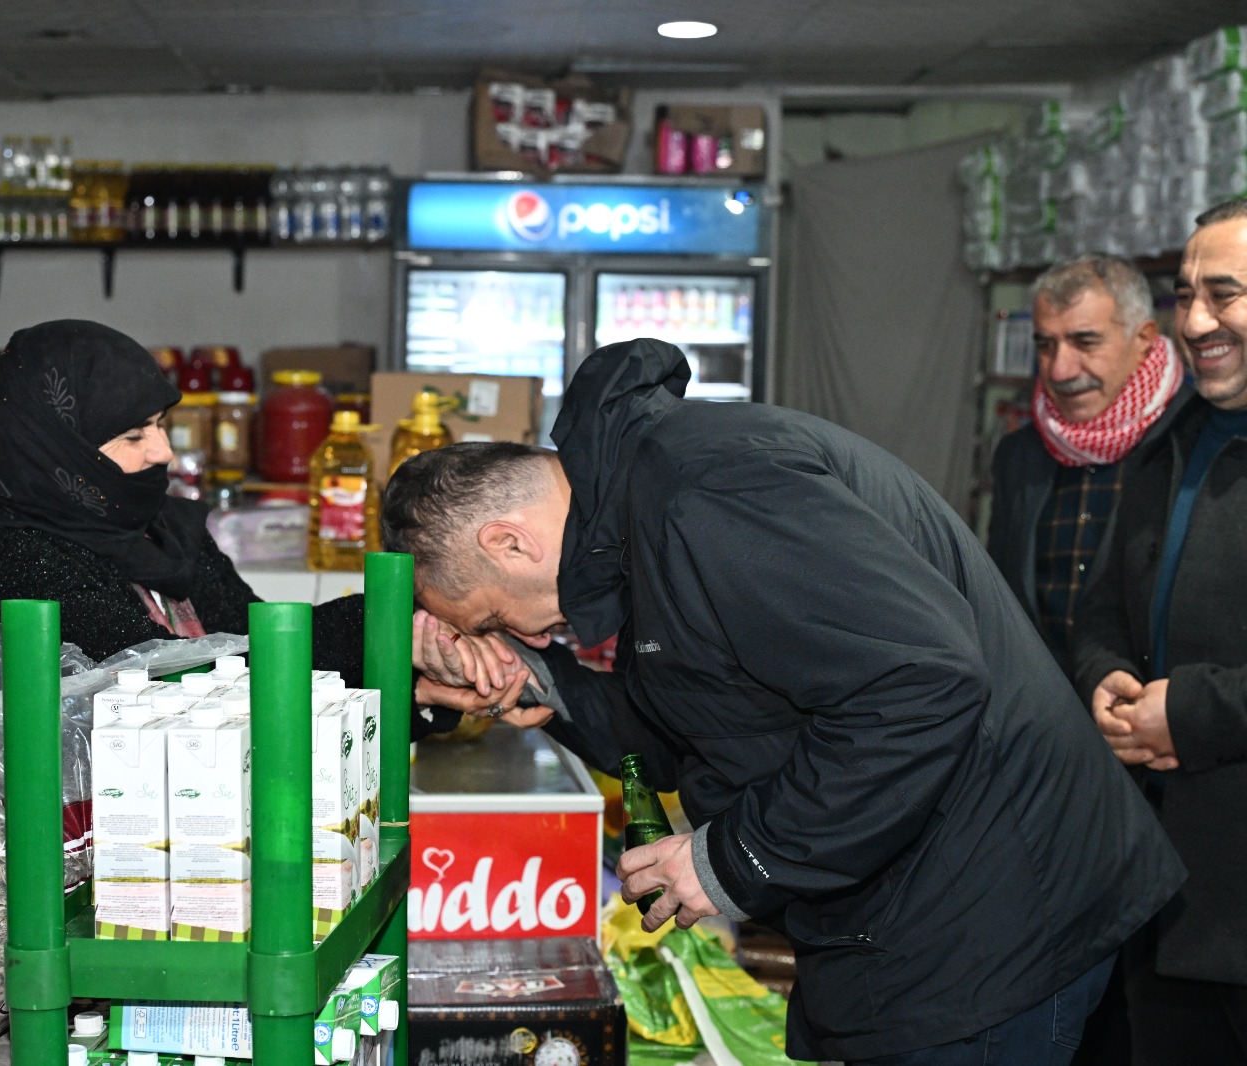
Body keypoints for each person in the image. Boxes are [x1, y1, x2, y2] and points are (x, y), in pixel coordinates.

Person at [381, 337, 1184, 1065]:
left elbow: (920, 686)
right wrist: (543, 681)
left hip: (988, 913)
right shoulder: (639, 516)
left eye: (491, 617)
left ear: (509, 541)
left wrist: (734, 860)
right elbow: (686, 732)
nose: (514, 633)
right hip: (923, 909)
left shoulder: (707, 492)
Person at [0, 319, 524, 730]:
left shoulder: (159, 530)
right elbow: (179, 692)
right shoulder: (3, 564)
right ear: (53, 448)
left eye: (160, 426)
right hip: (38, 873)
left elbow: (255, 645)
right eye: (134, 436)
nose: (164, 452)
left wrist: (415, 688)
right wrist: (389, 628)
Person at [1073, 198, 1247, 1065]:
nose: (1198, 321)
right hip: (1164, 895)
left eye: (1225, 294)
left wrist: (1190, 713)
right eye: (1185, 295)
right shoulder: (1173, 439)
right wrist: (1103, 674)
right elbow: (1103, 606)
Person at [988, 255, 1188, 675]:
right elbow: (999, 596)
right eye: (1046, 345)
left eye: (1085, 342)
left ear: (1144, 339)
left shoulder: (1191, 443)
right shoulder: (1018, 455)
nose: (1060, 370)